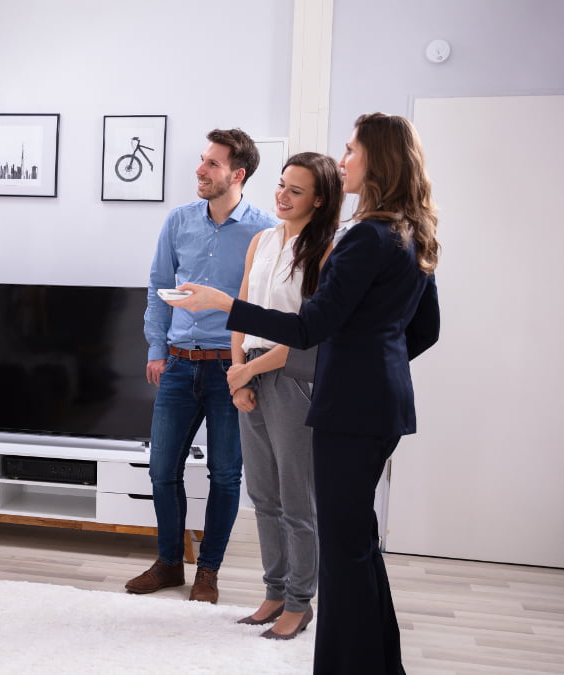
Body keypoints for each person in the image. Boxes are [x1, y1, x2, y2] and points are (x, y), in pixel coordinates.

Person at [165, 113, 440, 673]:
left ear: (378, 160)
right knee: (358, 547)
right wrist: (372, 363)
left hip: (350, 410)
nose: (344, 160)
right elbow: (424, 331)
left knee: (343, 552)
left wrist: (222, 305)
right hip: (380, 406)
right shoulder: (411, 230)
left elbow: (310, 327)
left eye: (351, 150)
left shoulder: (364, 235)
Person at [127, 129, 278, 602]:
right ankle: (170, 562)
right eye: (202, 160)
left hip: (230, 368)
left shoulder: (266, 231)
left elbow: (266, 305)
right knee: (161, 470)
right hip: (177, 364)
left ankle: (207, 572)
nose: (200, 169)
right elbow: (157, 286)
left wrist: (247, 369)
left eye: (212, 163)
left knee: (227, 474)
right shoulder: (178, 221)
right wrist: (156, 348)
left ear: (238, 174)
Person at [226, 152, 342, 640]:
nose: (282, 196)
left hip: (292, 377)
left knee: (298, 500)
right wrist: (237, 373)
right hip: (248, 373)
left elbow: (306, 333)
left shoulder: (327, 250)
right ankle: (273, 593)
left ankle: (300, 602)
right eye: (281, 185)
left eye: (296, 190)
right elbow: (243, 309)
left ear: (319, 199)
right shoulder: (262, 240)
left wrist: (249, 369)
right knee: (263, 497)